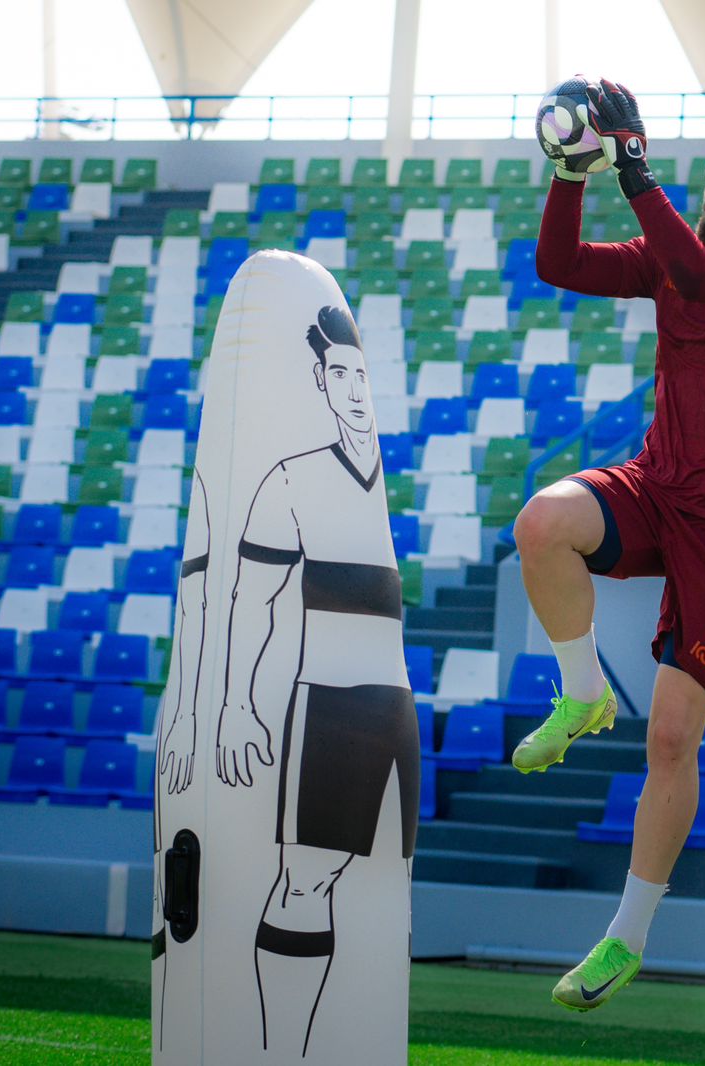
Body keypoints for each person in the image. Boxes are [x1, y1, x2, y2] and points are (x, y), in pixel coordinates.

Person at [514, 79, 705, 1011]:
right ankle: (582, 691)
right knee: (542, 524)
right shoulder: (672, 250)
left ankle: (627, 936)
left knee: (674, 736)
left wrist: (635, 171)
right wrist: (572, 174)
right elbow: (559, 264)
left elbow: (700, 278)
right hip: (659, 485)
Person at [214, 304, 420, 1055]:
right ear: (321, 382)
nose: (356, 389)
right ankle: (280, 1050)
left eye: (363, 373)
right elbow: (252, 599)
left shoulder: (388, 482)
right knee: (305, 880)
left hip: (394, 707)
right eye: (341, 374)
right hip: (328, 706)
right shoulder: (291, 481)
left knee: (386, 887)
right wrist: (236, 704)